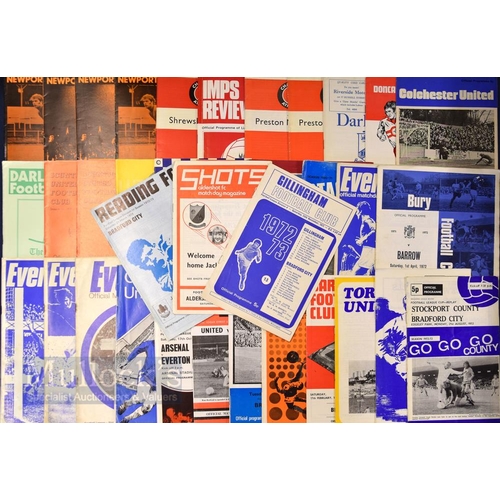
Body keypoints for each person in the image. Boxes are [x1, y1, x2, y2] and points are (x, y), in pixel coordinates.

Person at [117, 340, 157, 423]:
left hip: (159, 384)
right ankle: (126, 404)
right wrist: (127, 361)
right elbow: (137, 350)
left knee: (146, 408)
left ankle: (127, 419)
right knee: (141, 398)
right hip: (146, 377)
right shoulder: (150, 344)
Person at [352, 201, 376, 275]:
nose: (356, 213)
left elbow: (374, 230)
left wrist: (362, 239)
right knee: (367, 273)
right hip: (367, 249)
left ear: (361, 211)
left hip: (369, 250)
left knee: (355, 272)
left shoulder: (368, 220)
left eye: (357, 211)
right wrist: (361, 240)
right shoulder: (366, 221)